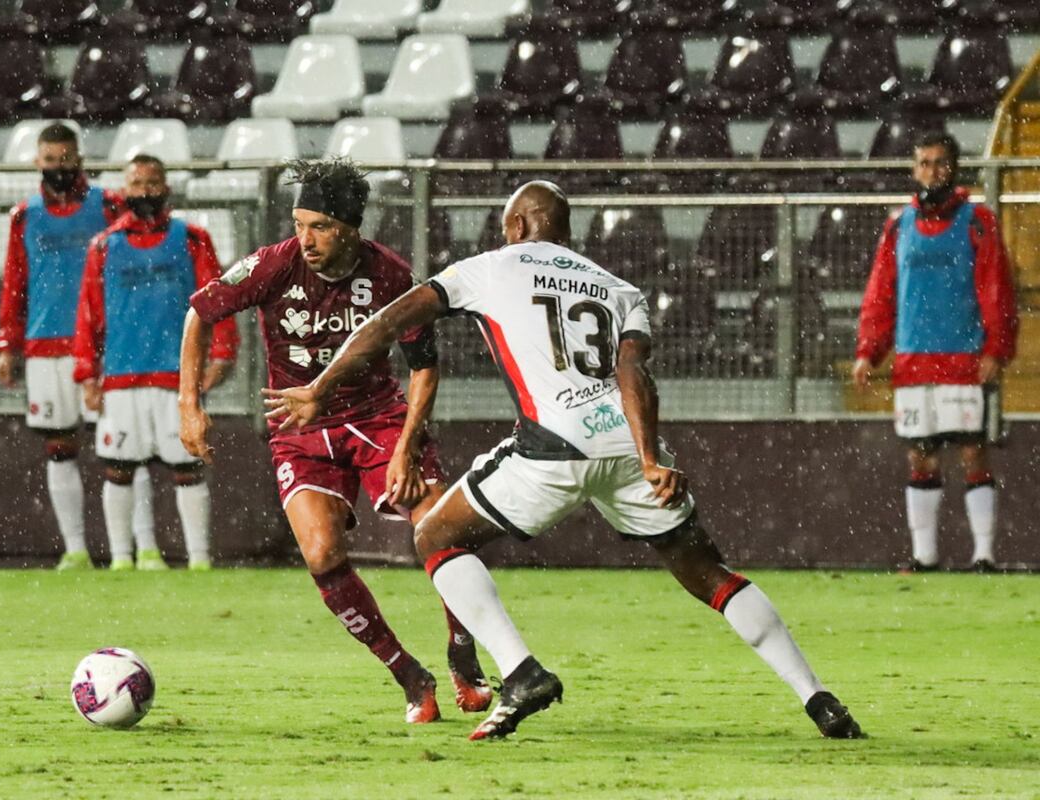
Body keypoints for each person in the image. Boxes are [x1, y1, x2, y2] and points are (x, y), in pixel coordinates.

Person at [264, 180, 865, 742]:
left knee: (436, 536)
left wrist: (319, 387)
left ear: (518, 226)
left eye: (505, 226)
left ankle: (520, 671)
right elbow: (634, 373)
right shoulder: (619, 289)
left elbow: (386, 324)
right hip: (627, 446)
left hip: (553, 444)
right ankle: (818, 698)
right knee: (711, 574)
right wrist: (650, 458)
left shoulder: (492, 267)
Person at [178, 158, 491, 724]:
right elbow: (199, 312)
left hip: (378, 419)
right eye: (299, 224)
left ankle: (463, 652)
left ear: (350, 227)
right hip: (300, 429)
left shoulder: (391, 276)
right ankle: (409, 675)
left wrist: (406, 448)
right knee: (321, 553)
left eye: (319, 227)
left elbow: (424, 366)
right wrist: (189, 406)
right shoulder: (274, 265)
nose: (306, 240)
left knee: (440, 526)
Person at [852, 131, 1018, 573]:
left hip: (964, 359)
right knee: (919, 455)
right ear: (914, 169)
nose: (932, 171)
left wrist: (996, 349)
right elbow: (881, 292)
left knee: (972, 452)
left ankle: (983, 556)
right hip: (913, 361)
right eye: (924, 163)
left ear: (954, 168)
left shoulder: (978, 221)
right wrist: (868, 351)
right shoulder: (899, 225)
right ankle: (924, 556)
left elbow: (997, 289)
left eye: (940, 163)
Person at [0, 122, 156, 570]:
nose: (59, 167)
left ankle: (143, 549)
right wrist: (7, 343)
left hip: (106, 348)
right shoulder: (24, 216)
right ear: (37, 162)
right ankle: (76, 549)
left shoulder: (108, 205)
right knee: (60, 446)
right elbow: (15, 282)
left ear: (79, 159)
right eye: (51, 160)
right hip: (46, 344)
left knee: (127, 449)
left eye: (65, 159)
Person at [73, 154, 237, 571]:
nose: (144, 191)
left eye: (152, 183)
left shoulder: (193, 239)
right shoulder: (104, 246)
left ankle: (200, 560)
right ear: (123, 190)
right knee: (119, 469)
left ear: (166, 187)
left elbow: (218, 301)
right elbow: (89, 315)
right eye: (136, 183)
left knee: (187, 469)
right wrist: (87, 374)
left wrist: (222, 353)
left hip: (177, 377)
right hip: (121, 377)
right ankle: (120, 559)